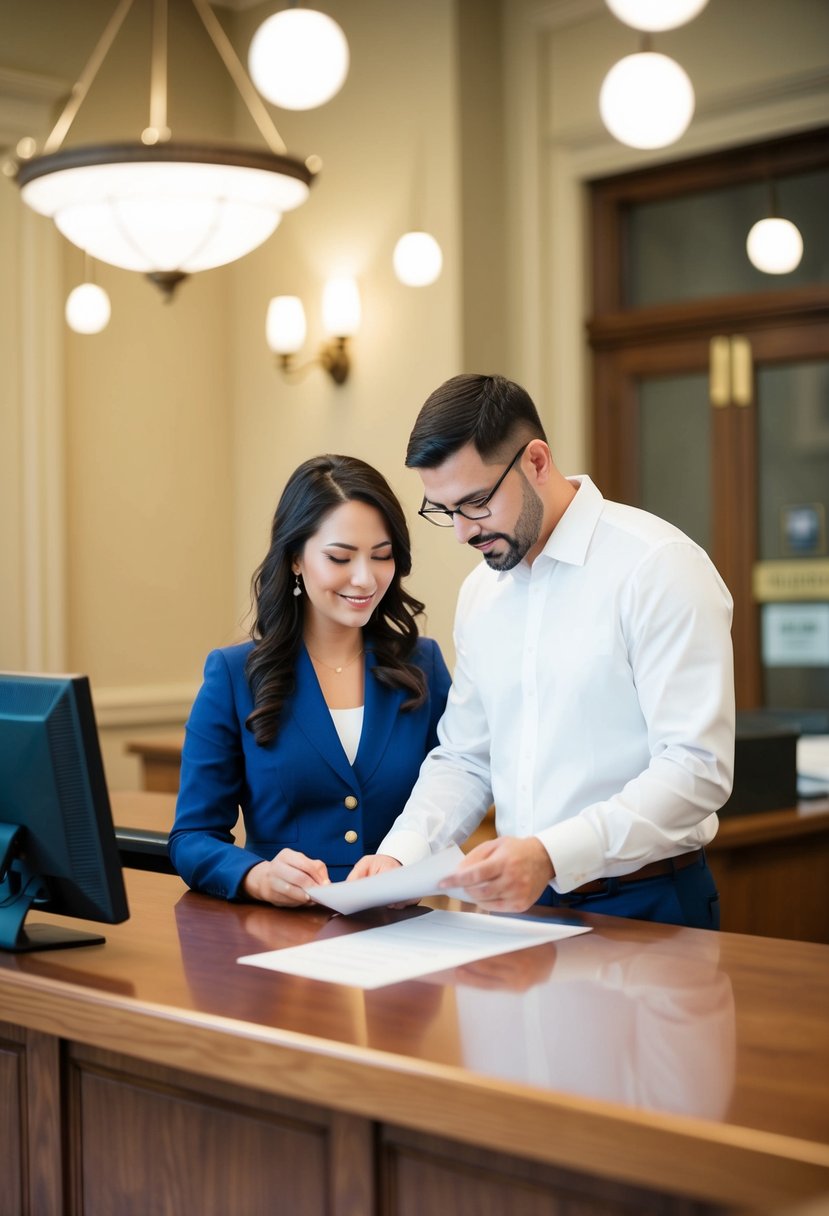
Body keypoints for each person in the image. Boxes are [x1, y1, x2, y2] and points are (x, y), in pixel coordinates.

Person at [350, 374, 735, 928]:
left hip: (647, 904)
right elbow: (466, 757)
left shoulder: (658, 567)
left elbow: (696, 771)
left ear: (536, 461)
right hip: (518, 906)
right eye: (444, 510)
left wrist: (551, 855)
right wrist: (400, 856)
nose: (462, 533)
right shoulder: (481, 593)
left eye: (476, 502)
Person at [169, 454, 450, 906]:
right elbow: (192, 837)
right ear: (296, 558)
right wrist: (256, 876)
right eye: (340, 557)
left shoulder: (424, 665)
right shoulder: (233, 675)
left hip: (402, 931)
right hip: (278, 938)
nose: (365, 579)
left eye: (382, 556)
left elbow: (453, 792)